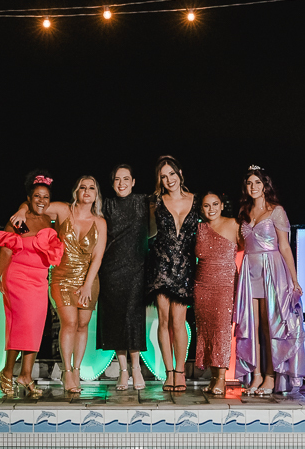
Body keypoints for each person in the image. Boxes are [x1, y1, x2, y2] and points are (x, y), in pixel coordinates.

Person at [8, 176, 108, 394]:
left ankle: (77, 370)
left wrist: (87, 285)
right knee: (69, 322)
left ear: (96, 194)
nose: (87, 191)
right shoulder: (63, 210)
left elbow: (98, 257)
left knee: (82, 324)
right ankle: (67, 371)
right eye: (82, 187)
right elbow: (37, 204)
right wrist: (22, 210)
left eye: (91, 188)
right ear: (76, 192)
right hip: (62, 277)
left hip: (88, 279)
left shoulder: (100, 222)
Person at [0, 171, 65, 398]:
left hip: (39, 280)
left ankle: (25, 375)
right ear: (29, 199)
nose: (41, 200)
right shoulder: (20, 221)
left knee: (35, 327)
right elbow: (7, 249)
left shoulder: (48, 220)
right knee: (20, 326)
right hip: (18, 278)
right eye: (37, 196)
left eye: (46, 197)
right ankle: (7, 372)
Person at [235, 165, 305, 395]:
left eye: (257, 182)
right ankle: (255, 376)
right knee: (251, 326)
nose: (253, 187)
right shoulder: (244, 212)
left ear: (265, 185)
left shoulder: (277, 211)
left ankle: (270, 376)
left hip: (272, 270)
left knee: (270, 325)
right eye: (249, 183)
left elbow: (285, 246)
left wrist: (294, 280)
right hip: (249, 270)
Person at [146, 155, 198, 392]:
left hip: (184, 267)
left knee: (179, 321)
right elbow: (147, 232)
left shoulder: (196, 200)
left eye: (172, 174)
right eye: (163, 176)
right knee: (164, 320)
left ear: (180, 174)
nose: (169, 180)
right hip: (161, 265)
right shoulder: (156, 202)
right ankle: (168, 373)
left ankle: (180, 371)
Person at [97, 164, 149, 390]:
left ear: (133, 181)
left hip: (137, 269)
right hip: (111, 270)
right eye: (117, 179)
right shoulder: (105, 204)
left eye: (126, 179)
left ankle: (136, 369)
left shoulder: (143, 201)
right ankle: (123, 371)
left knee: (133, 319)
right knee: (116, 319)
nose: (122, 183)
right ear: (112, 183)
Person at [194, 192, 239, 396]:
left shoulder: (234, 224)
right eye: (206, 205)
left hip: (225, 284)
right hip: (202, 285)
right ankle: (213, 377)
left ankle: (221, 378)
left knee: (221, 329)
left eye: (214, 204)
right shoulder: (199, 227)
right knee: (206, 330)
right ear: (201, 208)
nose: (211, 209)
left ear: (222, 205)